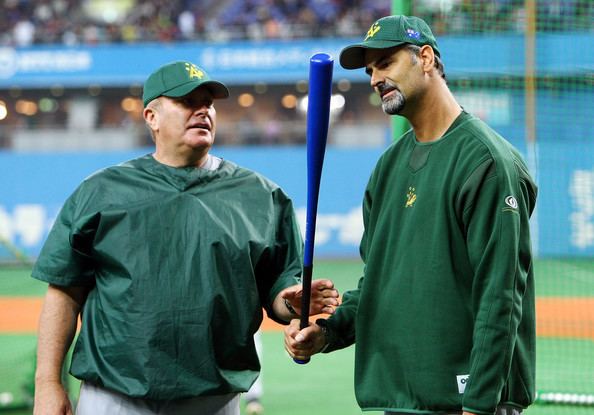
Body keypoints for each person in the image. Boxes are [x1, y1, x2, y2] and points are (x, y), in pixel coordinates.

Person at [32, 60, 339, 415]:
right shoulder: (101, 191)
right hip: (114, 397)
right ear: (152, 117)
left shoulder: (263, 197)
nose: (203, 110)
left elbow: (279, 294)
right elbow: (64, 291)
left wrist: (291, 303)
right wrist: (48, 383)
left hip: (214, 399)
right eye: (187, 102)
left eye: (208, 102)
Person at [285, 15, 537, 415]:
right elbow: (378, 284)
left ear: (425, 58)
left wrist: (479, 403)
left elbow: (500, 295)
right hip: (399, 399)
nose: (374, 78)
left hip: (465, 403)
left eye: (385, 63)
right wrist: (328, 332)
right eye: (369, 70)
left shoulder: (486, 161)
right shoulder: (387, 168)